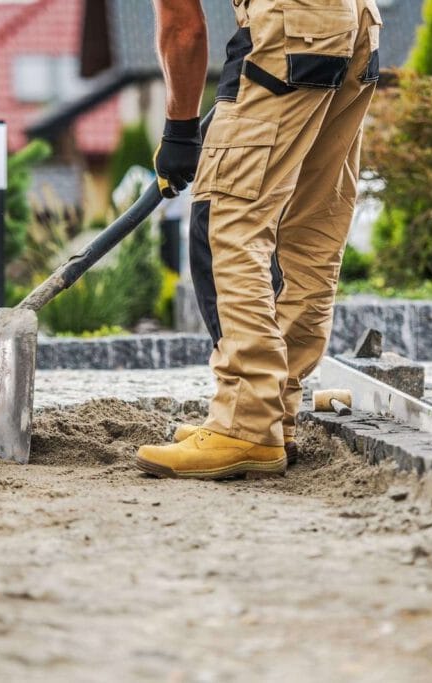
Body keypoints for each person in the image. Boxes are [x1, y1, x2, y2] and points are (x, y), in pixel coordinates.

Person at [137, 0, 382, 479]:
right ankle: (275, 415)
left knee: (227, 219)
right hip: (357, 25)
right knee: (308, 229)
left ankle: (245, 422)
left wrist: (180, 129)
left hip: (293, 29)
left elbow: (182, 25)